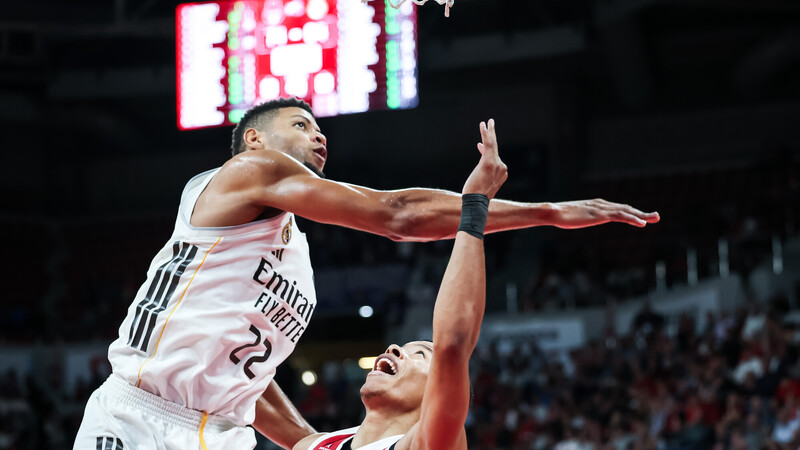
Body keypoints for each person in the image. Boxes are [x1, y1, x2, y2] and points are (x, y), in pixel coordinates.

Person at [74, 97, 659, 450]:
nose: (319, 134)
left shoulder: (298, 264)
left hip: (224, 433)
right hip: (139, 415)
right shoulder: (243, 174)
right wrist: (547, 213)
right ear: (254, 140)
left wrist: (307, 439)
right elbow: (398, 215)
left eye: (319, 128)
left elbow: (243, 372)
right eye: (300, 125)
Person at [295, 115, 507, 450]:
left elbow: (452, 345)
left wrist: (475, 205)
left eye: (422, 354)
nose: (393, 348)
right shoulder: (312, 446)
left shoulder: (429, 443)